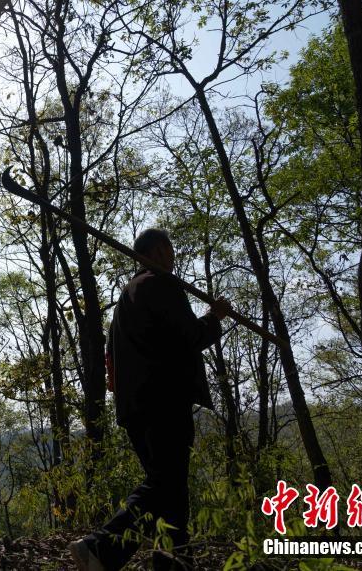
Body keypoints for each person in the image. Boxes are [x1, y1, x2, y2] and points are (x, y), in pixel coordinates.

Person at [68, 228, 230, 571]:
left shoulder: (127, 298)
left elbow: (115, 359)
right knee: (165, 484)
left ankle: (173, 563)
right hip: (164, 402)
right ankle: (100, 548)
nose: (173, 257)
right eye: (169, 250)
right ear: (158, 251)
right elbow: (188, 337)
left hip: (135, 408)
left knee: (170, 492)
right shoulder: (160, 284)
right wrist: (214, 319)